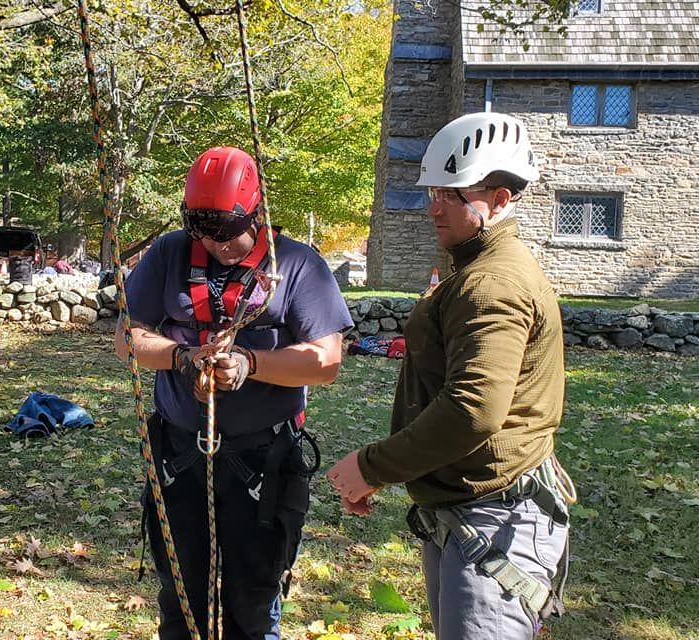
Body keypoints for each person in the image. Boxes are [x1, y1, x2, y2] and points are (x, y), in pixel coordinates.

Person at [326, 112, 575, 640]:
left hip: (494, 519)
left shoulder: (492, 284)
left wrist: (373, 467)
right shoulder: (475, 270)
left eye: (452, 193)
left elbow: (472, 411)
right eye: (433, 191)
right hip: (468, 513)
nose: (434, 207)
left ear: (500, 200)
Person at [116, 146, 352, 638]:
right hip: (181, 454)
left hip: (262, 459)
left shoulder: (296, 264)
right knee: (181, 600)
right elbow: (127, 338)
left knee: (253, 598)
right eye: (200, 228)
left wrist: (252, 362)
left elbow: (327, 361)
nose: (212, 241)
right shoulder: (170, 254)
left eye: (224, 229)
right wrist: (182, 358)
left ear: (255, 211)